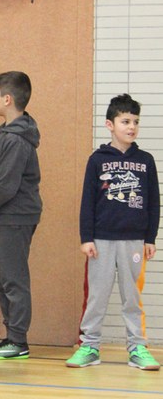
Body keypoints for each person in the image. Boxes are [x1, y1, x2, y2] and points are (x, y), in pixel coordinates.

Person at [69, 94, 160, 371]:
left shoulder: (145, 160)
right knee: (97, 296)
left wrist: (150, 238)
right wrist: (86, 238)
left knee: (132, 297)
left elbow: (154, 202)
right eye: (125, 121)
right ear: (110, 124)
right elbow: (87, 201)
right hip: (101, 241)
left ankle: (137, 348)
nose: (131, 127)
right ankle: (89, 346)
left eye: (135, 122)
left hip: (134, 241)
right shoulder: (97, 160)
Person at [0, 72, 43, 361]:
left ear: (7, 99)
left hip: (18, 216)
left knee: (14, 278)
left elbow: (7, 184)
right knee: (4, 276)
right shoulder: (6, 131)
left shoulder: (16, 139)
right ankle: (12, 337)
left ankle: (18, 341)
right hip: (7, 214)